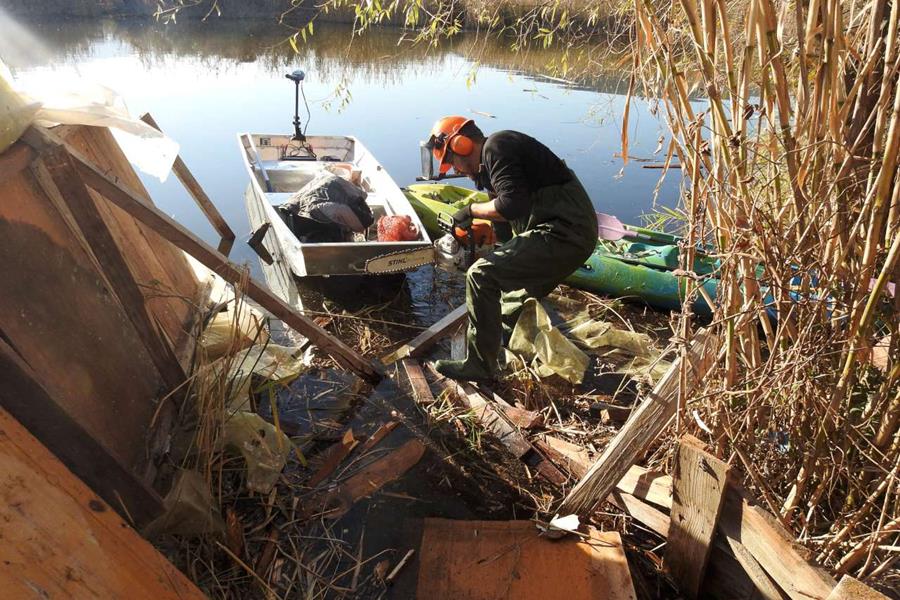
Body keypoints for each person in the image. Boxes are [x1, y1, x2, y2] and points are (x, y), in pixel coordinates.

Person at [425, 116, 598, 381]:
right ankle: (502, 348)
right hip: (564, 233)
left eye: (452, 161)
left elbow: (511, 205)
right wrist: (491, 249)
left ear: (461, 145)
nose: (455, 169)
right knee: (510, 299)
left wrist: (470, 210)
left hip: (565, 233)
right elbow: (505, 226)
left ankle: (480, 366)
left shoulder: (497, 146)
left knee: (480, 276)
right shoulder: (488, 171)